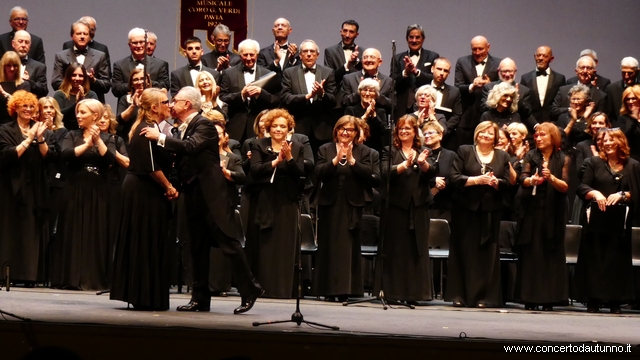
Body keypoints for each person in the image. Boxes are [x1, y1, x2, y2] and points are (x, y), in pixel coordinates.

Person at [141, 86, 263, 314]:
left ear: (187, 104)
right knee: (197, 247)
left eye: (174, 101)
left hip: (212, 195)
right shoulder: (185, 127)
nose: (170, 105)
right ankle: (200, 298)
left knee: (227, 242)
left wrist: (160, 138)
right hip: (194, 194)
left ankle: (250, 288)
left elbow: (191, 147)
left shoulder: (204, 125)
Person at [110, 88, 176, 310]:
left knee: (150, 240)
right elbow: (150, 167)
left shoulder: (154, 129)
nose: (169, 105)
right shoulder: (144, 130)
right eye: (166, 102)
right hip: (142, 191)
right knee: (143, 240)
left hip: (148, 190)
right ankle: (142, 294)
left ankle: (148, 294)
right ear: (154, 107)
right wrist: (168, 186)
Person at [445, 121, 511, 308]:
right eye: (482, 131)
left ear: (496, 137)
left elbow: (507, 184)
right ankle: (459, 296)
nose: (486, 135)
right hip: (465, 210)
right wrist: (476, 180)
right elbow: (454, 177)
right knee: (462, 251)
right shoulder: (465, 151)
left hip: (490, 212)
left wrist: (495, 183)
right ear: (476, 133)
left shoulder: (502, 155)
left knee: (487, 256)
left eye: (490, 133)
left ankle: (485, 297)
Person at [575, 128, 638, 314]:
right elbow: (582, 187)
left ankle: (614, 301)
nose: (608, 143)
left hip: (619, 221)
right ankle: (593, 299)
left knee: (616, 260)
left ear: (621, 142)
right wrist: (594, 193)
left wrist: (623, 195)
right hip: (596, 217)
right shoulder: (594, 162)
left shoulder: (633, 165)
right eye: (605, 140)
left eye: (612, 140)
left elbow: (637, 193)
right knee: (593, 258)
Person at [53, 99, 115, 290]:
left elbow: (110, 161)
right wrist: (88, 144)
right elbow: (66, 154)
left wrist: (97, 141)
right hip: (74, 187)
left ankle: (92, 279)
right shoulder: (71, 134)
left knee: (95, 232)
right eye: (78, 112)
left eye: (83, 112)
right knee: (72, 231)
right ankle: (70, 278)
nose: (78, 115)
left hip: (98, 190)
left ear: (95, 116)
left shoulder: (108, 138)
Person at [376, 114, 435, 303]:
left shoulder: (424, 151)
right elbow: (384, 174)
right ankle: (393, 293)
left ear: (415, 132)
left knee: (416, 249)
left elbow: (432, 174)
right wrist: (404, 165)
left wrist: (422, 164)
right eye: (400, 128)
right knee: (395, 249)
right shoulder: (389, 150)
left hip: (418, 207)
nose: (403, 131)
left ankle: (415, 294)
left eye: (407, 128)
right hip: (395, 207)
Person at [247, 108, 305, 298]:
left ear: (289, 129)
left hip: (287, 201)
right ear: (268, 128)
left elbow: (300, 174)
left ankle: (283, 290)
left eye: (283, 126)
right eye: (275, 126)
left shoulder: (297, 146)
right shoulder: (259, 144)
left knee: (285, 245)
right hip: (266, 199)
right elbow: (255, 170)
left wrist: (288, 159)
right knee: (266, 245)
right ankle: (264, 288)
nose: (278, 129)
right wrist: (275, 161)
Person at [312, 115, 371, 301]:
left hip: (352, 204)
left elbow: (371, 176)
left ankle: (346, 289)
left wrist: (353, 161)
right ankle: (327, 290)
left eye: (350, 130)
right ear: (336, 131)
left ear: (356, 133)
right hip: (329, 203)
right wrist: (335, 160)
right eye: (342, 129)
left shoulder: (364, 151)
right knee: (328, 245)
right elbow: (318, 173)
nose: (345, 132)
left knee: (348, 248)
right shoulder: (325, 149)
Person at [0, 90, 53, 284]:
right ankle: (8, 273)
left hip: (34, 187)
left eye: (32, 106)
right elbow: (6, 155)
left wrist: (39, 138)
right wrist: (28, 138)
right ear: (15, 108)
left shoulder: (39, 128)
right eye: (24, 106)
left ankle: (30, 275)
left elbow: (49, 157)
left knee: (31, 231)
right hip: (10, 188)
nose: (29, 109)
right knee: (9, 230)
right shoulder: (5, 130)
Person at [515, 122, 570, 311]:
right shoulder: (531, 156)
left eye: (542, 135)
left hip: (554, 211)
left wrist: (551, 178)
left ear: (553, 138)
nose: (538, 138)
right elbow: (522, 178)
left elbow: (566, 186)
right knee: (532, 254)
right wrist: (532, 180)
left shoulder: (564, 158)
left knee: (550, 253)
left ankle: (549, 299)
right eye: (536, 135)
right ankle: (529, 298)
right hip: (532, 210)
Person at [219, 39, 280, 143]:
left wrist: (261, 93)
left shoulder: (268, 74)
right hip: (235, 127)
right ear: (239, 55)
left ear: (257, 54)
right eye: (245, 55)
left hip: (259, 128)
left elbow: (277, 100)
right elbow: (222, 97)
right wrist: (241, 95)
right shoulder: (228, 73)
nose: (248, 58)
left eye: (251, 54)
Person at [280, 39, 336, 151]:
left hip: (322, 128)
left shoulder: (328, 72)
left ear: (317, 55)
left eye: (312, 51)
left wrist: (322, 94)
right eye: (305, 51)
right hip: (298, 126)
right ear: (300, 55)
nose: (309, 54)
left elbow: (333, 101)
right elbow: (285, 98)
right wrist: (306, 97)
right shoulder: (289, 73)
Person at [454, 36, 502, 146]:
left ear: (488, 47)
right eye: (474, 49)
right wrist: (472, 86)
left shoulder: (498, 63)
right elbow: (458, 87)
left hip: (490, 116)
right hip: (467, 117)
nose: (477, 52)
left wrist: (490, 85)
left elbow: (503, 88)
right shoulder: (462, 62)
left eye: (481, 49)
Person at [98, 104, 129, 272]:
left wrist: (110, 149)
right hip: (96, 186)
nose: (102, 120)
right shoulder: (86, 138)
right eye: (99, 117)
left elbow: (126, 162)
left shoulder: (117, 140)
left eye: (105, 117)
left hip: (113, 186)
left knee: (112, 228)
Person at [51, 20, 110, 103]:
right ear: (72, 36)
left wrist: (93, 80)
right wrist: (73, 82)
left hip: (93, 104)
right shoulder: (61, 56)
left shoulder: (100, 56)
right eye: (78, 33)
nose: (82, 36)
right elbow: (55, 83)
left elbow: (106, 86)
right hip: (67, 102)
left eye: (85, 34)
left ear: (90, 36)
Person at [391, 24, 439, 118]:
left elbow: (434, 79)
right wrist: (405, 73)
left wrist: (416, 72)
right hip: (402, 108)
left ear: (423, 39)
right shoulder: (397, 58)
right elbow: (392, 81)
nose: (414, 40)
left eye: (417, 37)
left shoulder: (433, 56)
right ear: (407, 39)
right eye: (411, 37)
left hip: (424, 107)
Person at [111, 28, 170, 98]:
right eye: (135, 43)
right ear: (129, 45)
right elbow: (115, 89)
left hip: (152, 106)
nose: (138, 46)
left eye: (141, 42)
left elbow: (165, 86)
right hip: (128, 106)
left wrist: (147, 82)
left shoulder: (160, 64)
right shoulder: (119, 65)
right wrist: (134, 84)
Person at [519, 46, 566, 124]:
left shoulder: (559, 78)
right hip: (530, 124)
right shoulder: (525, 78)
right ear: (534, 57)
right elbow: (524, 105)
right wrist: (533, 124)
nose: (540, 58)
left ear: (551, 59)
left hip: (552, 124)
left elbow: (560, 103)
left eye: (545, 56)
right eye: (538, 55)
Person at [551, 56, 606, 122]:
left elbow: (601, 120)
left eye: (589, 68)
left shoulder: (601, 95)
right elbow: (553, 112)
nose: (585, 71)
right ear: (576, 71)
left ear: (594, 72)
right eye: (582, 68)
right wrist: (570, 109)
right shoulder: (563, 90)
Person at [340, 48, 393, 113]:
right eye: (365, 57)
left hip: (378, 121)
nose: (368, 60)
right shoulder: (348, 78)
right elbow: (344, 103)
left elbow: (393, 107)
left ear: (380, 62)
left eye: (372, 57)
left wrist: (377, 93)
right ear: (362, 61)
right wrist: (360, 90)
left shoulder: (388, 81)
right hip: (354, 121)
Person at [423, 121, 456, 222]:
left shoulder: (451, 155)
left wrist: (438, 187)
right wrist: (433, 182)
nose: (427, 136)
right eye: (424, 134)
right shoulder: (419, 154)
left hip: (444, 204)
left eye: (430, 133)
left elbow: (455, 176)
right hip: (422, 202)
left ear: (440, 135)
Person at [344, 78, 386, 152]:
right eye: (365, 90)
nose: (367, 93)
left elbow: (383, 132)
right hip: (354, 148)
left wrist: (374, 115)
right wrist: (365, 116)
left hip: (375, 150)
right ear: (360, 92)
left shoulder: (381, 112)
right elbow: (350, 129)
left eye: (371, 91)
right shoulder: (350, 110)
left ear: (376, 95)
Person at [52, 62, 98, 130]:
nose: (77, 78)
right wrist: (77, 104)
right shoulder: (60, 94)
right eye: (74, 75)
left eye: (80, 76)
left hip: (87, 131)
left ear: (84, 78)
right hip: (65, 133)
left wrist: (82, 100)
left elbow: (96, 114)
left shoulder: (91, 95)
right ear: (68, 77)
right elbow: (59, 115)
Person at [429, 57, 462, 149]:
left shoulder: (455, 91)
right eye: (439, 69)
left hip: (447, 137)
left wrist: (443, 130)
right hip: (425, 135)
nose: (442, 73)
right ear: (432, 69)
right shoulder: (421, 89)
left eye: (446, 71)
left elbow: (457, 116)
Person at [115, 68, 149, 142]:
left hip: (148, 138)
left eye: (142, 79)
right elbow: (120, 120)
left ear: (148, 81)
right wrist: (133, 105)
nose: (139, 82)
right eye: (136, 79)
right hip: (128, 139)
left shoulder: (154, 98)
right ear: (132, 84)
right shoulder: (125, 99)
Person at [11, 30, 47, 98]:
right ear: (13, 43)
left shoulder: (39, 67)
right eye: (20, 41)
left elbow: (44, 91)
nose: (23, 45)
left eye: (26, 42)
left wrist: (29, 82)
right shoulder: (4, 65)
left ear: (30, 46)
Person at [0, 51, 30, 123]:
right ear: (3, 66)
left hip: (16, 123)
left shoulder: (24, 85)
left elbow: (22, 107)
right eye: (8, 65)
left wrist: (4, 93)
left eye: (15, 65)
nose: (12, 69)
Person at [606, 57, 639, 122]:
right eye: (623, 73)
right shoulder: (612, 89)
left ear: (637, 72)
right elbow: (609, 116)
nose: (626, 76)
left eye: (630, 73)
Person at [618, 85, 640, 160]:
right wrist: (634, 118)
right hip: (632, 158)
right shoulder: (623, 118)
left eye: (633, 98)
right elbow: (623, 137)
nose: (630, 102)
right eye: (628, 99)